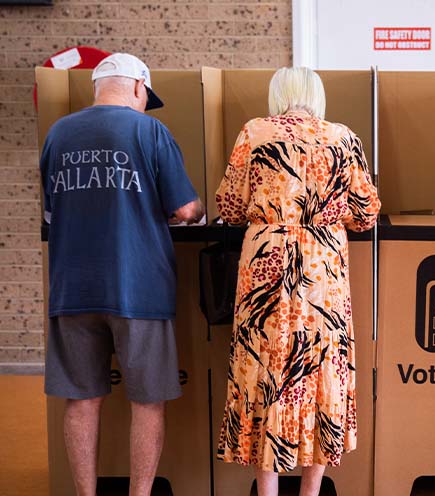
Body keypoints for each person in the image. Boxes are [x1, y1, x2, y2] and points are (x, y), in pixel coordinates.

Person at [41, 53, 205, 496]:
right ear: (138, 87)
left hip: (72, 288)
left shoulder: (57, 135)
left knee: (81, 399)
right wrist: (194, 210)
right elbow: (185, 208)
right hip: (140, 288)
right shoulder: (149, 130)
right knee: (147, 401)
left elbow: (51, 212)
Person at [215, 66, 380, 496]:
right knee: (320, 365)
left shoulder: (254, 132)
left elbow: (230, 206)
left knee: (263, 364)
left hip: (265, 264)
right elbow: (366, 214)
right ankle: (310, 491)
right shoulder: (342, 138)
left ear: (278, 95)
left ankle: (267, 490)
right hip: (321, 272)